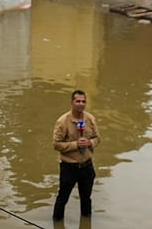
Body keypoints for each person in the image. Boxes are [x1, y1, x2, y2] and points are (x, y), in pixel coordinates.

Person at [52, 89, 100, 221]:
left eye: (83, 101)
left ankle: (86, 222)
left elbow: (97, 139)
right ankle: (57, 222)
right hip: (69, 167)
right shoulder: (62, 121)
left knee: (86, 199)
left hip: (87, 166)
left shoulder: (90, 119)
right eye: (77, 101)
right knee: (62, 198)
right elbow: (56, 144)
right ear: (72, 102)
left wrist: (89, 142)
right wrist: (76, 145)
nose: (81, 104)